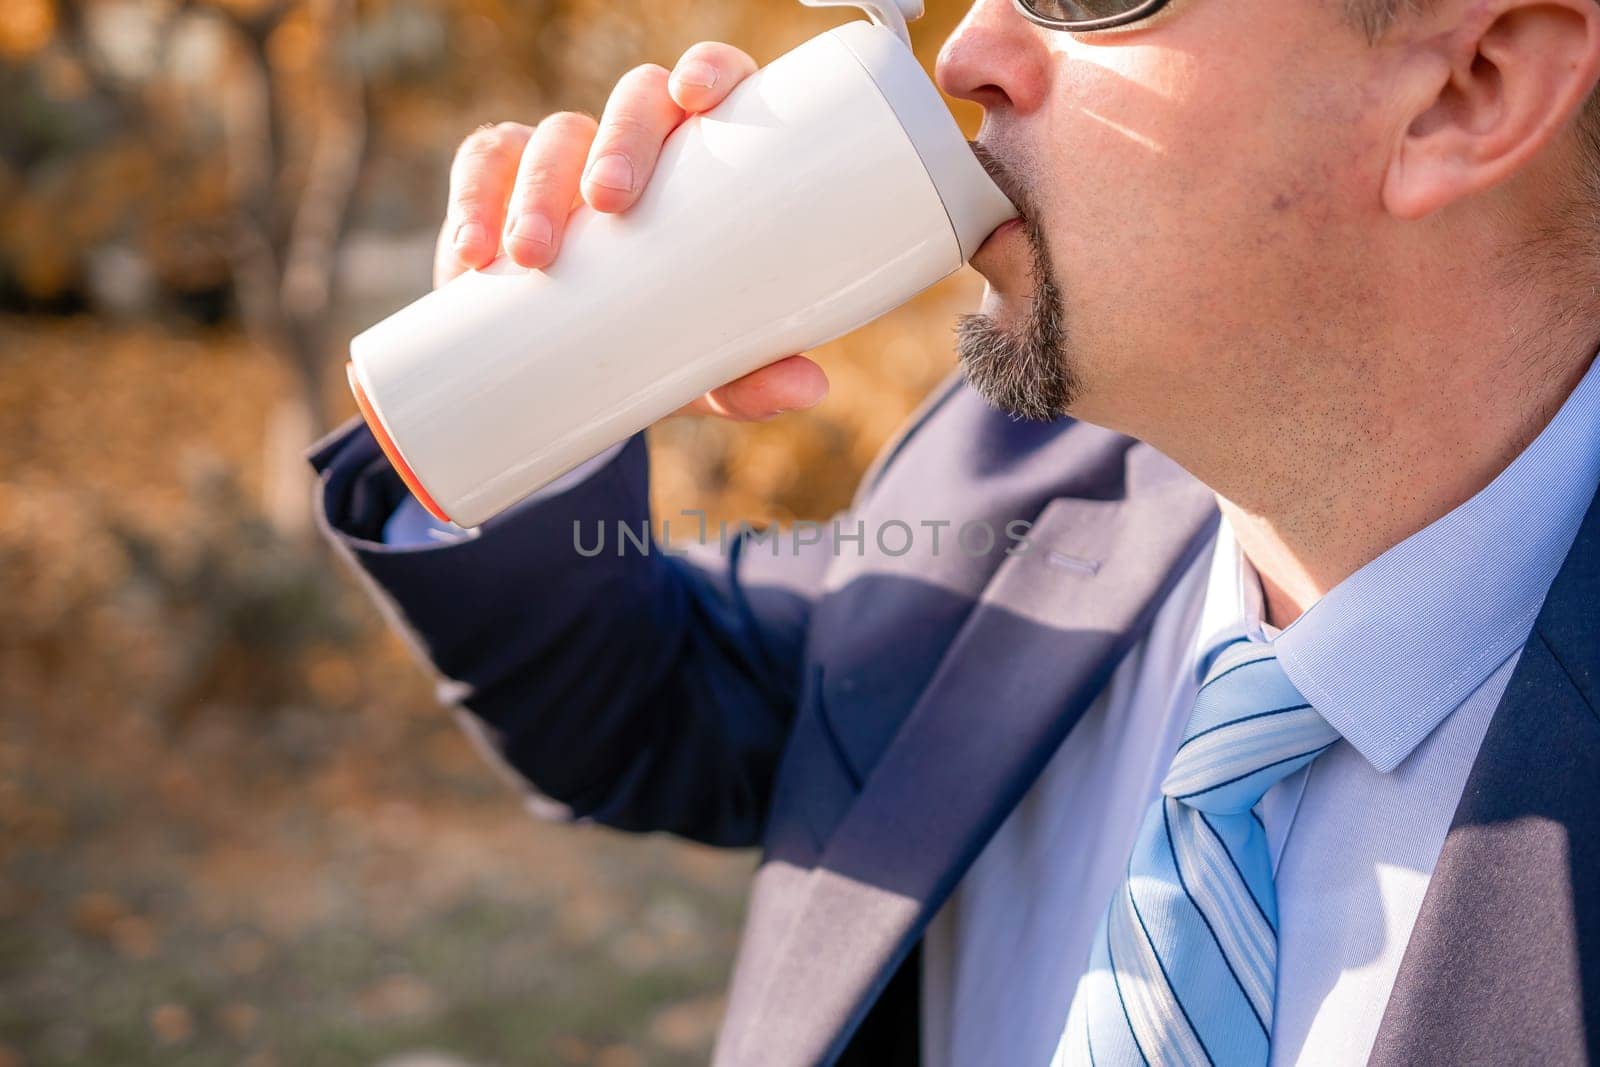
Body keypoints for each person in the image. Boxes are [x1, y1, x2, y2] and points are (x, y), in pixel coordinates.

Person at [307, 0, 1600, 1062]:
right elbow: (644, 698)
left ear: (1471, 87)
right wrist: (546, 363)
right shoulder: (1009, 476)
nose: (973, 49)